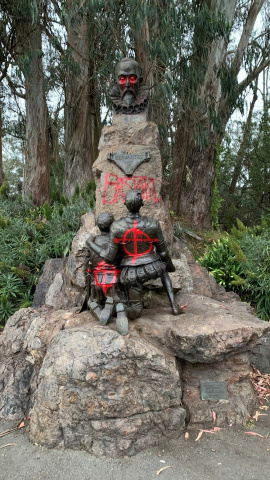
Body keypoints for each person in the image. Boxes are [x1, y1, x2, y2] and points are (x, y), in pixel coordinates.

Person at [87, 190, 179, 335]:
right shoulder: (153, 224)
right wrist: (169, 266)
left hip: (131, 273)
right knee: (165, 272)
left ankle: (120, 308)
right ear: (142, 204)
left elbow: (109, 257)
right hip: (153, 266)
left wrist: (91, 244)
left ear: (125, 204)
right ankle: (174, 306)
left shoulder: (117, 227)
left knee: (136, 309)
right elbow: (163, 252)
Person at [84, 213, 126, 327]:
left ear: (98, 225)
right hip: (114, 279)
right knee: (121, 300)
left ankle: (98, 311)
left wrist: (87, 277)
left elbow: (87, 266)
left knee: (91, 301)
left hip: (97, 281)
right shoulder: (117, 241)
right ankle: (117, 307)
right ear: (112, 224)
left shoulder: (91, 242)